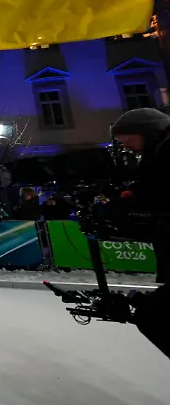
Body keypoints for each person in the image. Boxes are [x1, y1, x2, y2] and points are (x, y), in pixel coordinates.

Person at [109, 108, 170, 358]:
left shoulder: (165, 155)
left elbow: (158, 201)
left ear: (145, 132)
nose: (124, 147)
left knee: (153, 316)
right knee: (151, 315)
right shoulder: (153, 157)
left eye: (126, 139)